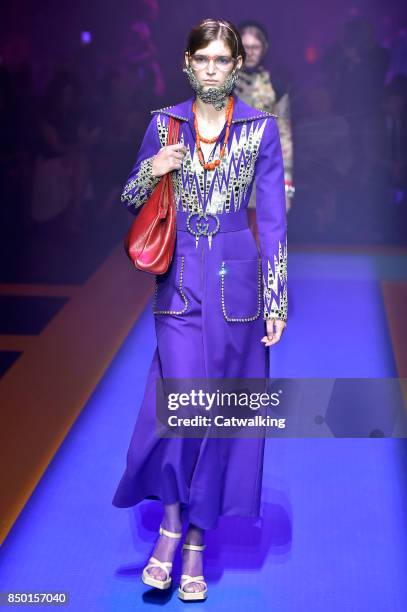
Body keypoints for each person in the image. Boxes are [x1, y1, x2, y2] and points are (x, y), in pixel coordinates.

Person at [112, 18, 288, 601]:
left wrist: (276, 298)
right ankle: (168, 525)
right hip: (181, 280)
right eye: (203, 59)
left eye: (222, 59)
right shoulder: (164, 124)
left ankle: (193, 539)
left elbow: (274, 223)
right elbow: (131, 197)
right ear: (188, 63)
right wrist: (152, 168)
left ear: (237, 66)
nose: (212, 68)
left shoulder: (259, 129)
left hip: (237, 282)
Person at [236, 20, 294, 215]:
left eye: (256, 47)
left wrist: (286, 188)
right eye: (246, 47)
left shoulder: (276, 87)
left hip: (263, 169)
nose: (250, 52)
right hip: (226, 171)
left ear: (264, 48)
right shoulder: (221, 83)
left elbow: (284, 135)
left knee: (261, 237)